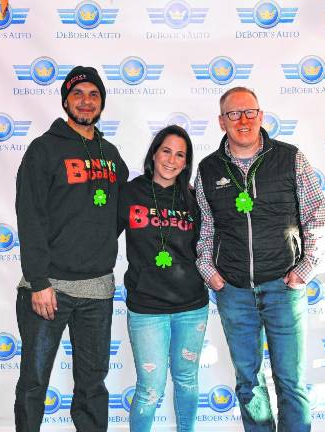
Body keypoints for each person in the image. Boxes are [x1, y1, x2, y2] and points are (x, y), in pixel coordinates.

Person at [195, 87, 325, 432]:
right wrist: (209, 272)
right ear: (221, 122)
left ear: (261, 115)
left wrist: (304, 270)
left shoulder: (290, 158)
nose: (243, 120)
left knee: (291, 383)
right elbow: (205, 227)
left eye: (249, 112)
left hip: (284, 287)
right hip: (234, 292)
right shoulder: (209, 169)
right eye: (233, 114)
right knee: (248, 384)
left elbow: (318, 215)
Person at [14, 66, 128, 432]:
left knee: (92, 385)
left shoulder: (110, 153)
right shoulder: (43, 149)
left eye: (94, 94)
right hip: (49, 288)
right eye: (78, 94)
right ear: (66, 100)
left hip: (97, 289)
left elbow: (123, 205)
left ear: (102, 103)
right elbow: (29, 214)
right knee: (34, 382)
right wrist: (38, 280)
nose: (86, 101)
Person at [118, 125, 208, 432]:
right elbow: (99, 235)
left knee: (187, 381)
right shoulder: (130, 192)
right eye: (166, 151)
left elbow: (212, 244)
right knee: (149, 389)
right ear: (154, 153)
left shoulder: (194, 199)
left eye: (180, 155)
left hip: (192, 306)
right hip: (146, 309)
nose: (171, 160)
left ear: (186, 163)